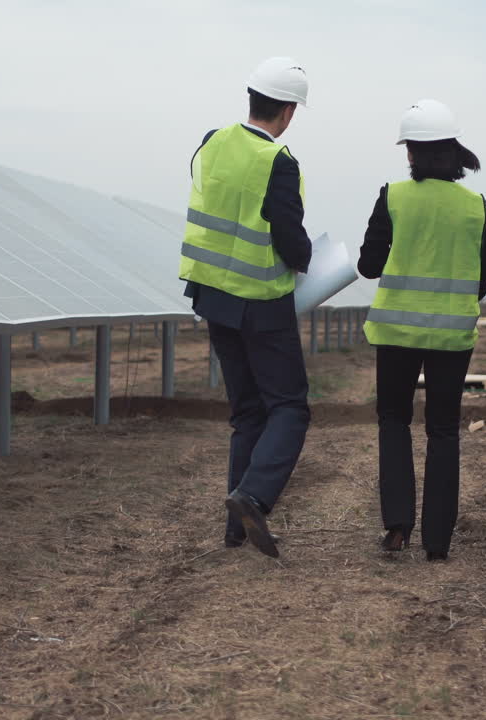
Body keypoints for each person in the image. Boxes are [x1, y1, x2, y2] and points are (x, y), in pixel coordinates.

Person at [179, 57, 313, 559]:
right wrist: (308, 258)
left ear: (252, 98)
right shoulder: (278, 162)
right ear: (289, 112)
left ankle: (235, 531)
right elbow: (289, 238)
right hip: (260, 301)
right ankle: (253, 497)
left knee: (247, 412)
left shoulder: (212, 141)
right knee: (290, 407)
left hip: (213, 295)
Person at [358, 99, 486, 561]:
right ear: (454, 151)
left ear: (411, 153)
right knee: (443, 430)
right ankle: (438, 542)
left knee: (394, 421)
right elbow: (482, 280)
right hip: (452, 336)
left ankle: (397, 526)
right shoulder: (476, 206)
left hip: (396, 332)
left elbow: (369, 265)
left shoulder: (392, 196)